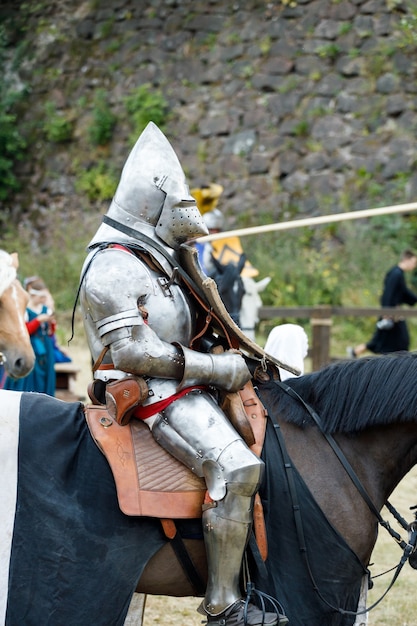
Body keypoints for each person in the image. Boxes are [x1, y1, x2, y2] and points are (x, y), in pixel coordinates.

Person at [79, 122, 289, 626]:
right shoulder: (113, 266)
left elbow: (197, 325)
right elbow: (131, 352)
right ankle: (223, 605)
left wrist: (234, 354)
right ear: (153, 206)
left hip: (187, 381)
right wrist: (218, 368)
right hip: (154, 392)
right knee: (237, 470)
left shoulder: (159, 261)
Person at [348, 249, 417, 357]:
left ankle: (355, 352)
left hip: (394, 314)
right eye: (414, 262)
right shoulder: (396, 274)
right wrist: (386, 313)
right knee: (385, 340)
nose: (414, 266)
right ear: (407, 260)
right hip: (391, 314)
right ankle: (355, 352)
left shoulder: (398, 274)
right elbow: (388, 294)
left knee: (391, 341)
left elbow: (403, 293)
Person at [4, 276, 56, 395]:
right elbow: (25, 329)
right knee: (31, 375)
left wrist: (51, 324)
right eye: (41, 297)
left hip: (45, 347)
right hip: (31, 344)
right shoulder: (25, 310)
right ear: (34, 295)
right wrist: (38, 321)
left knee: (46, 375)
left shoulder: (45, 309)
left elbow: (50, 332)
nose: (43, 299)